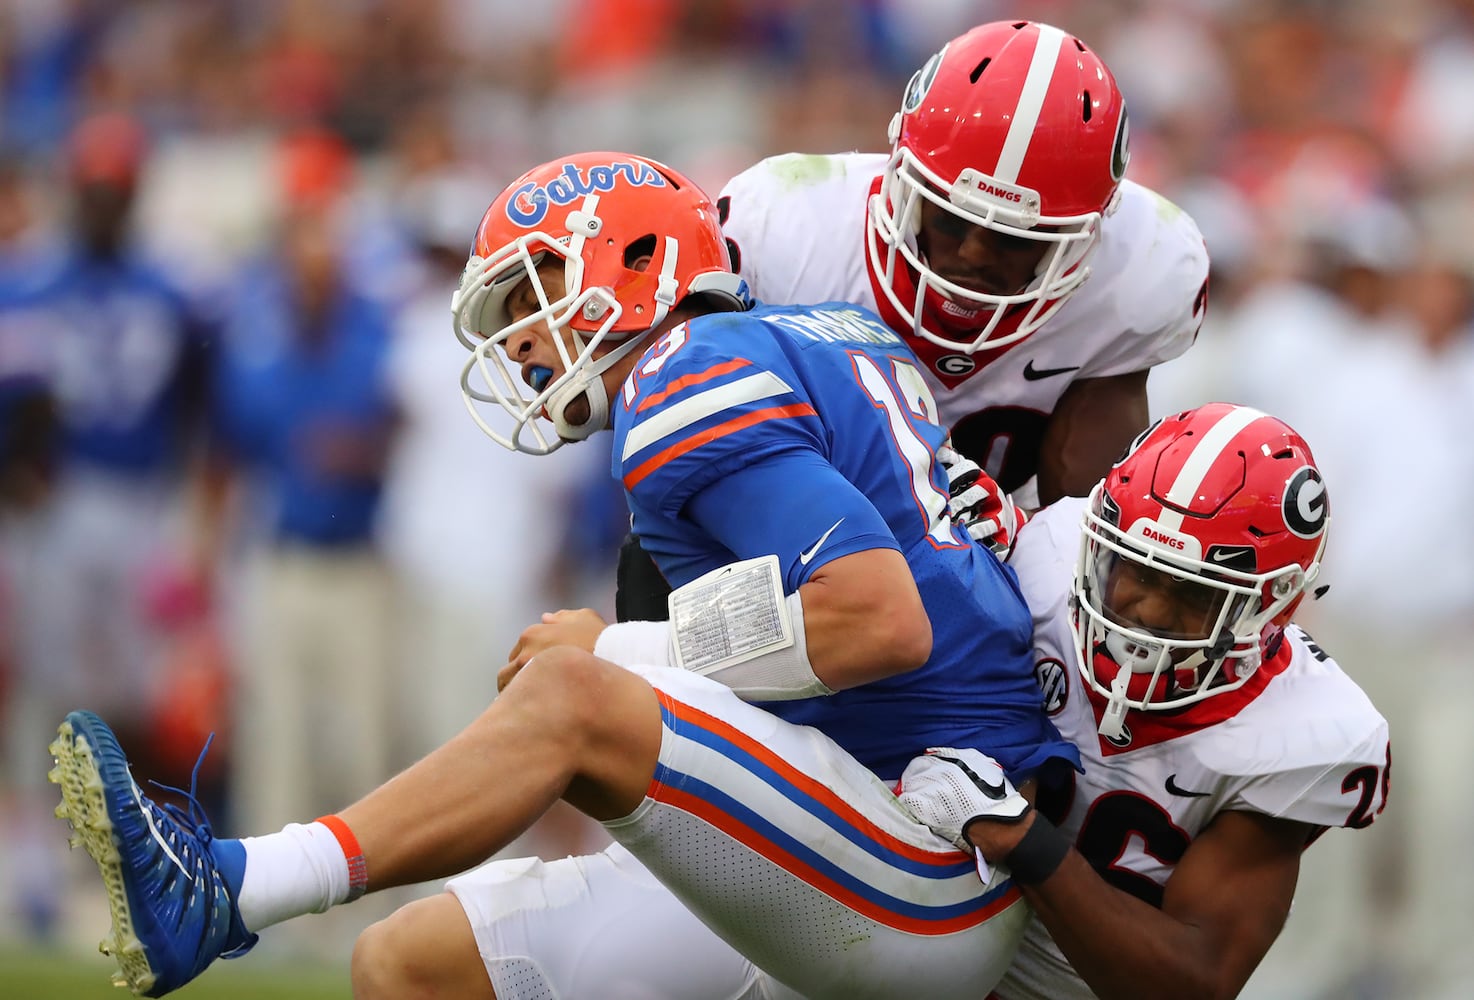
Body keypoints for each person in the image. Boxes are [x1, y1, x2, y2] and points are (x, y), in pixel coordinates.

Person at [50, 151, 1077, 999]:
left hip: (935, 842)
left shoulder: (690, 371)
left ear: (630, 264)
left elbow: (876, 617)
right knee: (408, 964)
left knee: (577, 690)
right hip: (851, 811)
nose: (524, 342)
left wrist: (626, 649)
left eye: (532, 294)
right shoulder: (819, 339)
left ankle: (230, 886)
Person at [616, 19, 1211, 618]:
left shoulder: (1142, 271)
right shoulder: (784, 226)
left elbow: (1081, 535)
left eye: (1013, 239)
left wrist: (1035, 555)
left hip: (1005, 569)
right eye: (949, 218)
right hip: (795, 549)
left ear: (1086, 236)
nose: (973, 254)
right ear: (900, 175)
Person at [894, 402, 1391, 1000]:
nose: (1148, 610)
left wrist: (1024, 840)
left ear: (1271, 607)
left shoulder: (1299, 732)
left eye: (1190, 593)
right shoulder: (1047, 555)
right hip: (912, 931)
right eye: (1133, 570)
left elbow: (1194, 980)